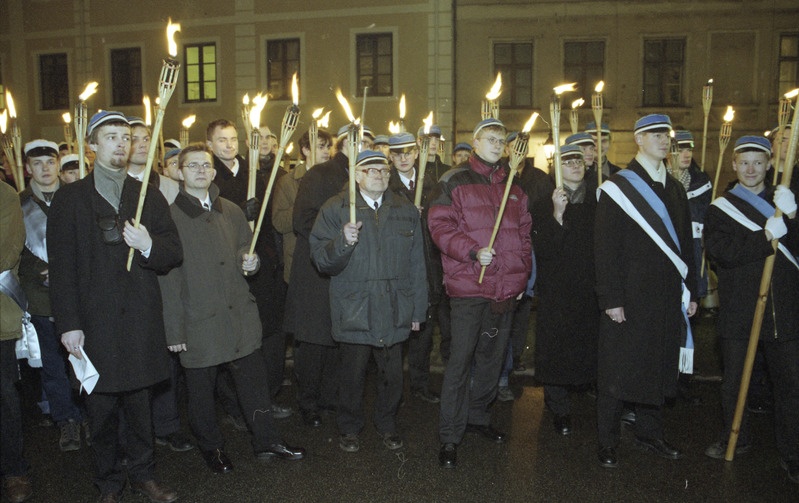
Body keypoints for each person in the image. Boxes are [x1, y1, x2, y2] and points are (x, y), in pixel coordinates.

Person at [48, 111, 182, 503]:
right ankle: (108, 482)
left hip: (139, 318)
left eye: (126, 137)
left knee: (140, 407)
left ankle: (144, 475)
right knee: (101, 410)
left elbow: (173, 251)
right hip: (94, 322)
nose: (121, 144)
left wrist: (148, 245)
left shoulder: (146, 195)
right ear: (92, 145)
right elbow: (62, 267)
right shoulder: (71, 198)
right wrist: (68, 324)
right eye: (111, 137)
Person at [160, 144, 305, 473]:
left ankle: (267, 440)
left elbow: (244, 247)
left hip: (238, 314)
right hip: (199, 319)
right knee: (201, 391)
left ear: (214, 172)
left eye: (206, 165)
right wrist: (174, 330)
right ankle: (211, 446)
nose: (201, 170)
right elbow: (167, 279)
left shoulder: (231, 210)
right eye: (193, 165)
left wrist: (249, 261)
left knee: (254, 385)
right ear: (179, 172)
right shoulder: (170, 218)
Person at [593, 114, 697, 469]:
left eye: (666, 135)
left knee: (657, 364)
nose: (663, 140)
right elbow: (605, 248)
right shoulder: (617, 188)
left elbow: (686, 245)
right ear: (638, 139)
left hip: (666, 295)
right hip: (629, 296)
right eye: (654, 134)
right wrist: (611, 299)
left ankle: (649, 433)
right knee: (617, 368)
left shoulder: (675, 188)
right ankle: (607, 440)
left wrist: (691, 291)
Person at [427, 118, 532, 469]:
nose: (497, 145)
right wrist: (472, 251)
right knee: (460, 361)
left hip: (504, 289)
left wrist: (520, 278)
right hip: (470, 286)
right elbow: (439, 226)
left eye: (501, 140)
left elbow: (524, 235)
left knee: (491, 358)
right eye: (490, 139)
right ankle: (449, 434)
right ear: (474, 142)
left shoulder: (513, 185)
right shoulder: (454, 180)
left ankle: (478, 416)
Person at [311, 150, 427, 453]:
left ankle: (387, 423)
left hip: (394, 306)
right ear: (356, 175)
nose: (380, 175)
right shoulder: (336, 209)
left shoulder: (405, 209)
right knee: (352, 373)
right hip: (355, 307)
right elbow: (322, 260)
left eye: (384, 170)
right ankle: (349, 427)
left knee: (392, 375)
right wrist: (342, 242)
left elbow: (417, 263)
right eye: (371, 170)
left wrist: (418, 309)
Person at [702, 135, 799, 484]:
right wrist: (763, 237)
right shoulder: (720, 208)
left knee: (791, 385)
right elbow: (722, 253)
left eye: (758, 162)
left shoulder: (783, 201)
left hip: (783, 310)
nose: (751, 169)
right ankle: (736, 437)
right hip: (740, 309)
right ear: (734, 165)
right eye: (744, 162)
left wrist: (793, 216)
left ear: (769, 164)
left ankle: (792, 452)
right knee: (735, 381)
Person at [285, 125, 373, 428]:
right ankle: (308, 402)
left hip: (350, 270)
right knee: (315, 340)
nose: (365, 147)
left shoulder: (367, 176)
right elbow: (302, 220)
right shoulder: (320, 174)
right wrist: (339, 236)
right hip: (317, 270)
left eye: (369, 143)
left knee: (339, 338)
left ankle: (330, 397)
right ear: (344, 143)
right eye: (360, 141)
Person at [206, 119, 291, 422]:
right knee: (236, 336)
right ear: (210, 145)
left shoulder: (253, 171)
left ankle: (266, 397)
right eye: (221, 140)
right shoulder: (209, 176)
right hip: (228, 267)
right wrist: (239, 214)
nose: (229, 145)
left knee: (269, 332)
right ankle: (235, 405)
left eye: (232, 139)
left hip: (262, 264)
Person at [17, 140, 86, 452]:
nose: (45, 169)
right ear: (27, 168)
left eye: (50, 162)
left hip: (80, 295)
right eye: (37, 163)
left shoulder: (78, 196)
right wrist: (38, 273)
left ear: (58, 164)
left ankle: (89, 413)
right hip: (41, 298)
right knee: (52, 364)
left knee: (84, 359)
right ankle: (65, 419)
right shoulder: (19, 204)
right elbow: (13, 250)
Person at [531, 145, 599, 435]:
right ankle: (558, 406)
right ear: (556, 168)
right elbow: (543, 249)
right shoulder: (543, 204)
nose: (575, 165)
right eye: (567, 161)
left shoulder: (598, 199)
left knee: (586, 343)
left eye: (578, 160)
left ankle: (585, 390)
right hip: (557, 289)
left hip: (588, 286)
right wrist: (557, 215)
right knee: (556, 348)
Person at [387, 132, 440, 404]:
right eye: (397, 154)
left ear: (417, 153)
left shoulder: (431, 183)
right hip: (399, 268)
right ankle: (392, 390)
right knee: (397, 333)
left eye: (408, 152)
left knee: (424, 334)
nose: (403, 158)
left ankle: (420, 385)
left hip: (427, 266)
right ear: (391, 157)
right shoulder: (387, 185)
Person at [1, 181, 33, 502]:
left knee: (3, 396)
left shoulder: (5, 196)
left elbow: (8, 250)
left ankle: (14, 468)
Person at [272, 129, 333, 284]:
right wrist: (303, 206)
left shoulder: (335, 180)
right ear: (306, 150)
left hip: (328, 257)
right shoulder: (287, 182)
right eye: (321, 147)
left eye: (328, 147)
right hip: (299, 261)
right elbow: (279, 222)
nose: (326, 151)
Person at [126, 117, 179, 204]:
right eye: (134, 139)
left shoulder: (170, 187)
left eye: (146, 139)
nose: (143, 145)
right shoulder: (111, 185)